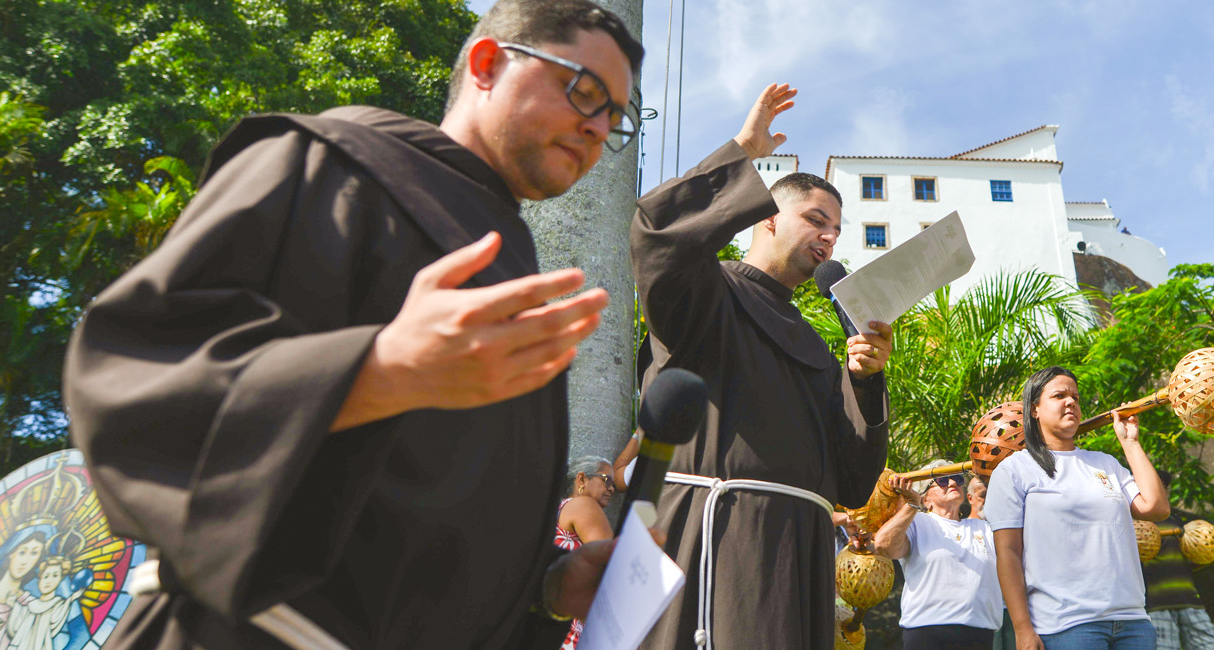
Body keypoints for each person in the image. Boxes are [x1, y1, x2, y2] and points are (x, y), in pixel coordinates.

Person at [59, 1, 643, 646]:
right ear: (485, 64)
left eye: (614, 116)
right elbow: (132, 382)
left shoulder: (519, 278)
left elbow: (435, 520)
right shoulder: (331, 162)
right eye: (584, 92)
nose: (596, 128)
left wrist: (550, 586)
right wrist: (379, 370)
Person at [631, 84, 895, 650]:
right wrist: (741, 151)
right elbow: (657, 237)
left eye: (837, 231)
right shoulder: (708, 290)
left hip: (796, 552)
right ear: (768, 218)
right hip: (708, 533)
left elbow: (852, 479)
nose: (829, 237)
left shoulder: (819, 348)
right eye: (816, 220)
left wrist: (866, 383)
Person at [986, 366, 1170, 650]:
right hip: (1066, 626)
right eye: (1059, 395)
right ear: (1034, 409)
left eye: (1075, 397)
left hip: (1132, 621)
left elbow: (1156, 508)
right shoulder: (1015, 469)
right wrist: (1022, 629)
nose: (1071, 402)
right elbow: (1008, 553)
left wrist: (1130, 442)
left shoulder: (1105, 463)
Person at [875, 460, 1003, 650]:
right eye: (942, 481)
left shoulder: (984, 528)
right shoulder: (918, 521)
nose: (952, 483)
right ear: (926, 499)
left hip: (979, 635)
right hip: (927, 634)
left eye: (957, 478)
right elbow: (884, 545)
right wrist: (911, 505)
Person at [1139, 472, 1214, 650]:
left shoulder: (1177, 523)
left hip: (1189, 601)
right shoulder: (1135, 524)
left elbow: (1191, 561)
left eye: (1162, 488)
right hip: (1155, 605)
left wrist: (1212, 556)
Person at [552, 456, 617, 649]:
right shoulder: (584, 505)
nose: (612, 489)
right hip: (578, 632)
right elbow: (611, 566)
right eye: (606, 481)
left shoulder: (559, 510)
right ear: (581, 479)